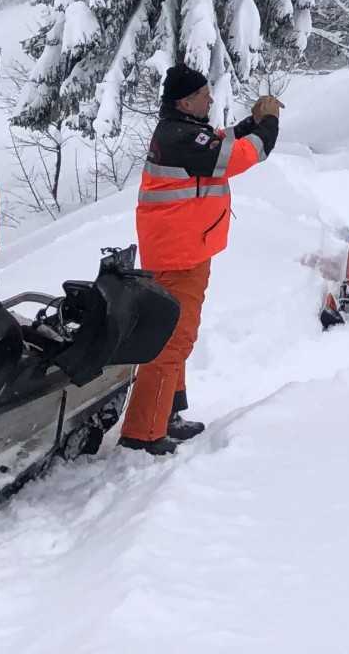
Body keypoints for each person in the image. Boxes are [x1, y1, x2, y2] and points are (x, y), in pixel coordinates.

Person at [120, 64, 282, 456]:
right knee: (172, 341)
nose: (211, 100)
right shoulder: (181, 138)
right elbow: (242, 154)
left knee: (176, 335)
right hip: (179, 255)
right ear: (184, 101)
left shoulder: (182, 131)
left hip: (184, 250)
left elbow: (219, 142)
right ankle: (143, 431)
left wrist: (251, 122)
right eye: (204, 95)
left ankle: (167, 413)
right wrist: (269, 122)